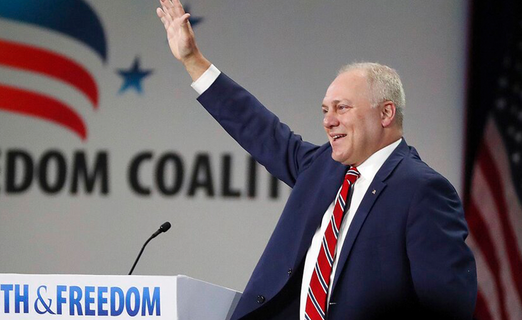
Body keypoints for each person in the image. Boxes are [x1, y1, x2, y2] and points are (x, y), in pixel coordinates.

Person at [156, 1, 477, 319]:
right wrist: (192, 60)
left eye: (342, 108)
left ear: (386, 113)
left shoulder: (422, 190)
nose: (329, 121)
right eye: (325, 110)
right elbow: (258, 128)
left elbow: (447, 308)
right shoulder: (321, 166)